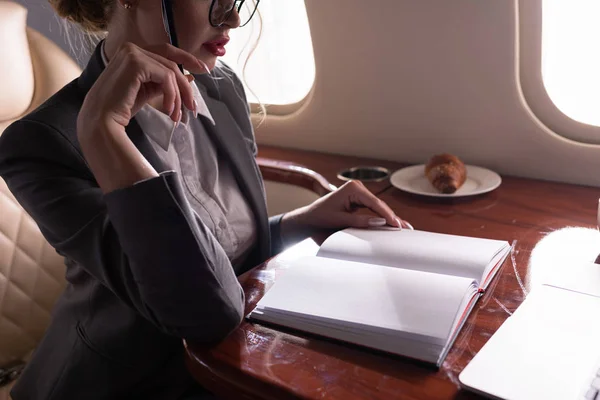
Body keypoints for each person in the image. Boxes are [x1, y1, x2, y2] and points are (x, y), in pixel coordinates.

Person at [0, 0, 410, 398]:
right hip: (132, 379)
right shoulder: (41, 144)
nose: (232, 18)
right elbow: (203, 311)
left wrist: (297, 223)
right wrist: (105, 134)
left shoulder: (220, 84)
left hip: (227, 359)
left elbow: (212, 255)